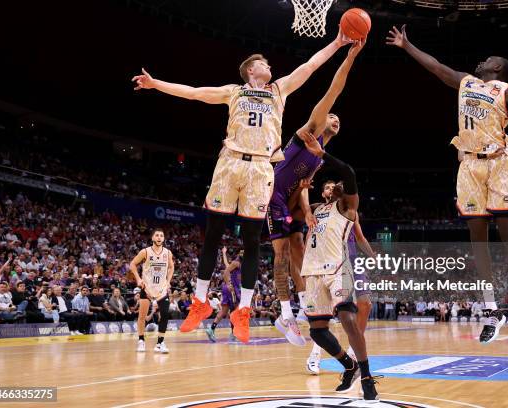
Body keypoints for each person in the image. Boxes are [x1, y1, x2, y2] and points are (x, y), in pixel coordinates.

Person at [133, 30, 353, 344]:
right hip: (231, 161)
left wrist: (338, 42)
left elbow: (311, 65)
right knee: (213, 232)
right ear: (251, 70)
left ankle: (244, 312)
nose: (270, 67)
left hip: (262, 166)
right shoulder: (233, 91)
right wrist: (157, 84)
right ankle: (199, 302)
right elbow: (194, 92)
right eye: (264, 64)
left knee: (252, 241)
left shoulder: (279, 90)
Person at [387, 25, 508, 347]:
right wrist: (407, 45)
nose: (481, 61)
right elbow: (435, 67)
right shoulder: (465, 82)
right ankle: (491, 311)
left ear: (498, 68)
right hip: (469, 165)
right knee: (477, 239)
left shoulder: (507, 92)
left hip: (498, 163)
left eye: (487, 59)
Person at [269, 40, 365, 346]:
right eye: (333, 117)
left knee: (300, 249)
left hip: (291, 199)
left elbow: (303, 188)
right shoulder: (309, 131)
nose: (336, 120)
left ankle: (297, 312)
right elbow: (333, 91)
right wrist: (349, 57)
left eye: (339, 121)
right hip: (272, 193)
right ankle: (285, 314)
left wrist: (308, 211)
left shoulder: (320, 152)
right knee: (283, 253)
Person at [296, 131, 378, 401]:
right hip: (313, 271)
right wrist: (303, 192)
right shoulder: (318, 208)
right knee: (318, 331)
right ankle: (349, 365)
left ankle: (366, 376)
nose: (335, 186)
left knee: (347, 319)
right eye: (330, 185)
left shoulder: (347, 207)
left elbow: (350, 172)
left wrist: (322, 155)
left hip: (338, 269)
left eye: (338, 185)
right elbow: (298, 208)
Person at [305, 178, 376, 374]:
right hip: (325, 264)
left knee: (366, 304)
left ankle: (354, 349)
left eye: (333, 186)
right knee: (323, 317)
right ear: (322, 193)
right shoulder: (317, 211)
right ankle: (315, 353)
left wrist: (373, 256)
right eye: (326, 187)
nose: (331, 189)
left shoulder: (348, 209)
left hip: (350, 260)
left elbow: (360, 237)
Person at [129, 229, 174, 353]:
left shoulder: (168, 253)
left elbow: (171, 267)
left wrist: (168, 280)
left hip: (161, 289)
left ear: (163, 239)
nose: (159, 237)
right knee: (142, 316)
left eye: (161, 235)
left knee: (165, 314)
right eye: (157, 235)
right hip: (147, 288)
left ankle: (160, 343)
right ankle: (141, 341)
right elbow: (132, 264)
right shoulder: (145, 252)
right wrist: (138, 279)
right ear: (153, 238)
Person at [206, 247, 241, 343]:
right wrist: (230, 284)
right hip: (231, 289)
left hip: (227, 288)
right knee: (234, 312)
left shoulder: (234, 264)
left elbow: (226, 265)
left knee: (224, 311)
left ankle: (211, 329)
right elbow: (226, 271)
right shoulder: (237, 263)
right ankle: (234, 333)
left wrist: (224, 253)